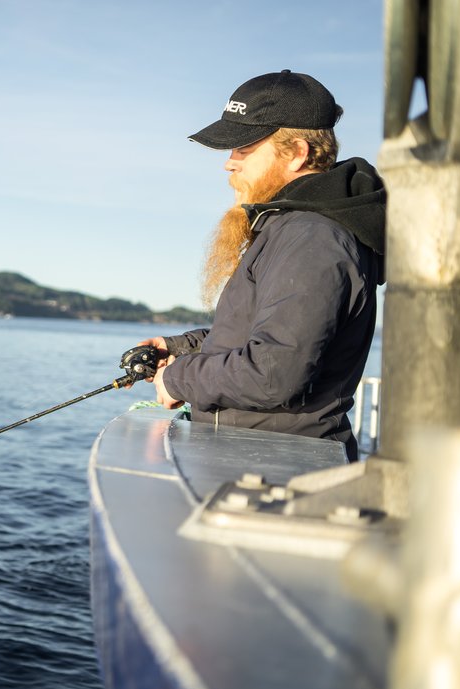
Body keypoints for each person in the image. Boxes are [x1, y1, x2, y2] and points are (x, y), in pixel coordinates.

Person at [128, 69, 385, 461]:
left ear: (297, 152)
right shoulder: (292, 227)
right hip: (252, 459)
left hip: (276, 472)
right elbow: (268, 332)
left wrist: (177, 378)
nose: (229, 164)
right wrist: (181, 347)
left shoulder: (312, 238)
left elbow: (273, 372)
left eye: (243, 149)